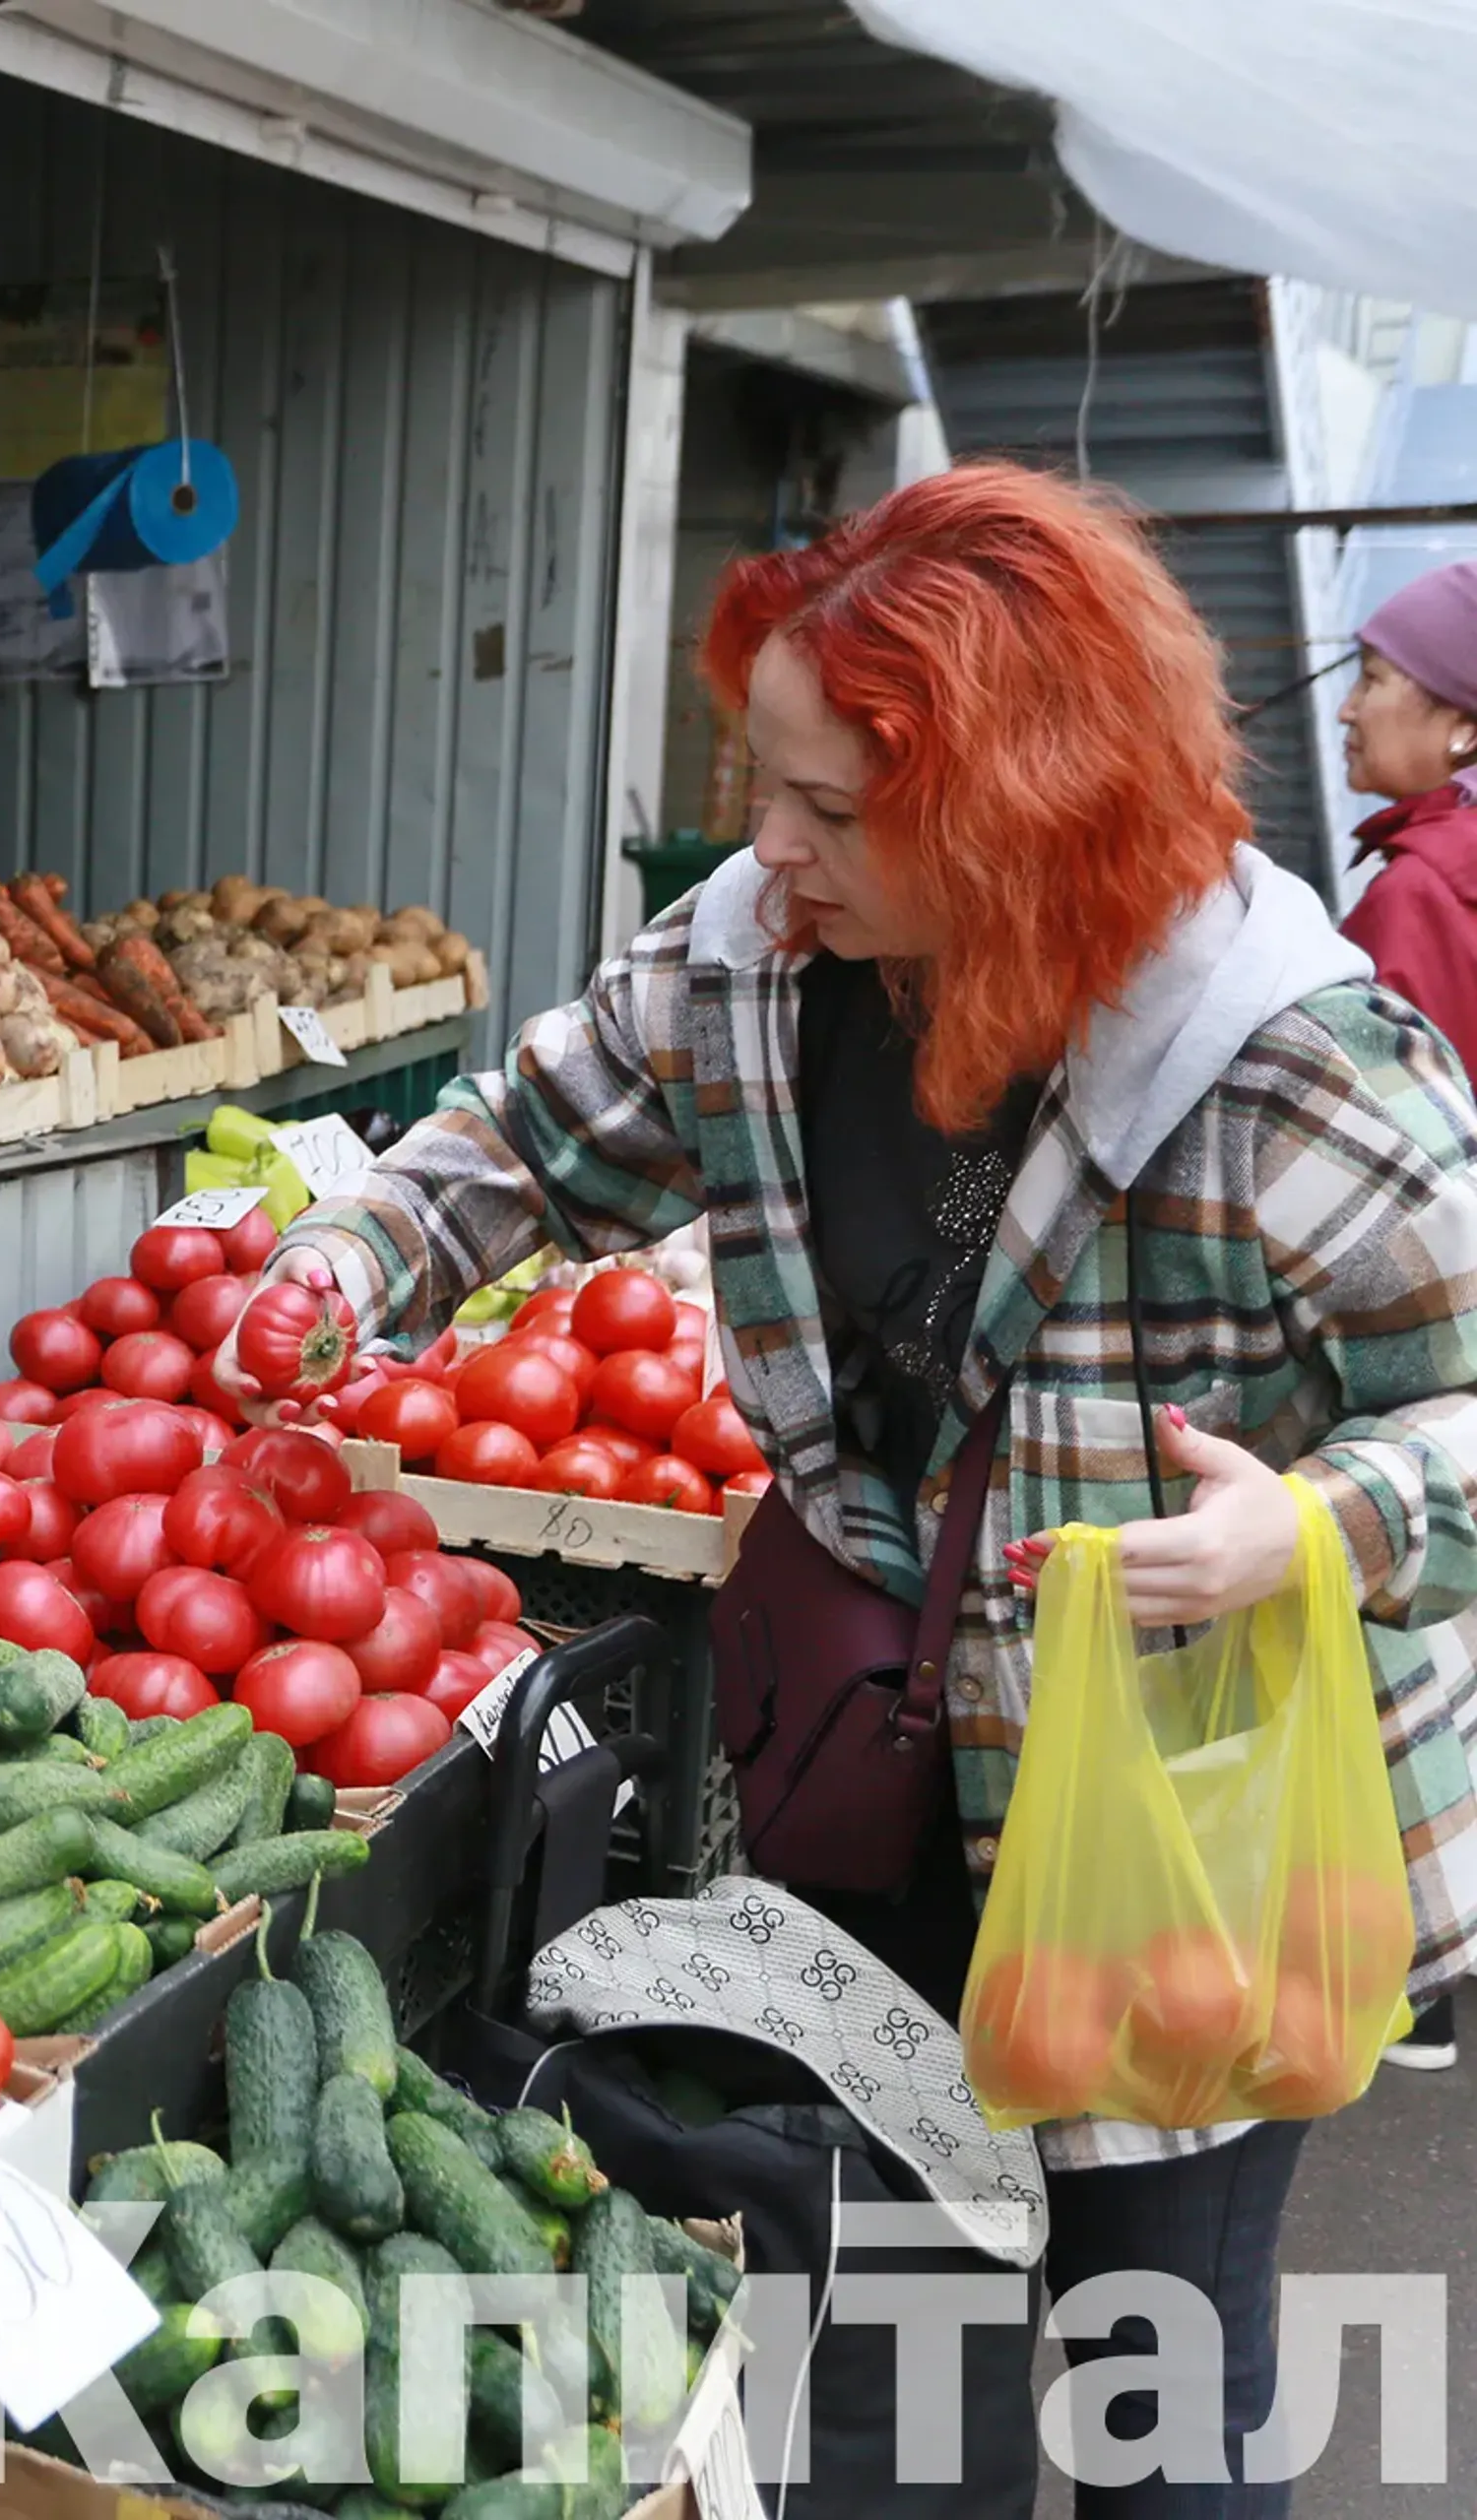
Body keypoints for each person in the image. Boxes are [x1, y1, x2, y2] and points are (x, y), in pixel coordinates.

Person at [229, 465, 1477, 2514]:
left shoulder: (1290, 1059)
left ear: (1018, 800)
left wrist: (1319, 1524)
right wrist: (354, 1251)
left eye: (830, 807)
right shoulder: (752, 958)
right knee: (891, 2334)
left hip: (1189, 1825)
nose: (768, 848)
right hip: (888, 1777)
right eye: (765, 784)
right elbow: (538, 1135)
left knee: (1163, 2361)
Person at [1329, 556, 1477, 2072]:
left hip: (1446, 1307)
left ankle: (1409, 1975)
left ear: (1462, 724)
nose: (1358, 700)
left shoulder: (1417, 892)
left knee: (1411, 1597)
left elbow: (1391, 1170)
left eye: (1383, 676)